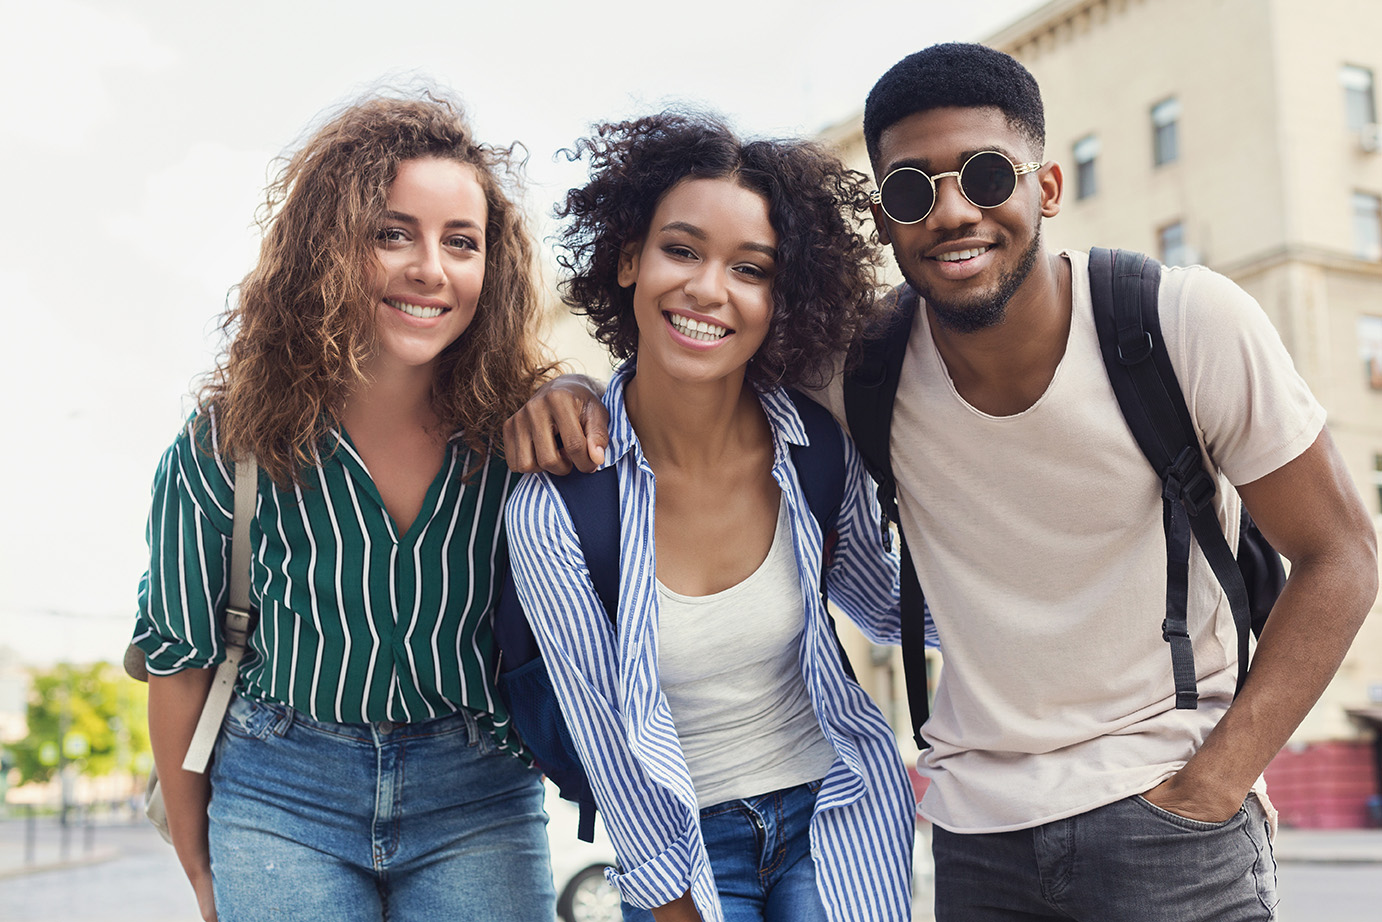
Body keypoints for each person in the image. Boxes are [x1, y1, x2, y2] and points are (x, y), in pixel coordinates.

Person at [503, 45, 1379, 922]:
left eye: (987, 174)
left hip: (1163, 819)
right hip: (977, 837)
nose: (954, 211)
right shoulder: (859, 370)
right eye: (914, 190)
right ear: (885, 220)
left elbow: (1342, 554)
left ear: (1047, 185)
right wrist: (563, 386)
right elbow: (698, 354)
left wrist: (1215, 782)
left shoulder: (1180, 322)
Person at [130, 93, 558, 922]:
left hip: (479, 796)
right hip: (280, 799)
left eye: (461, 243)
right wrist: (198, 865)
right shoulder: (226, 445)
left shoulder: (518, 441)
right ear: (327, 248)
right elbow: (179, 663)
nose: (431, 267)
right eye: (393, 233)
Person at [504, 111, 924, 922]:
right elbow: (610, 747)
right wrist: (673, 901)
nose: (708, 289)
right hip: (683, 847)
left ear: (779, 298)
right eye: (682, 250)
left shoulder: (813, 451)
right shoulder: (556, 507)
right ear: (630, 258)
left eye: (751, 269)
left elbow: (904, 613)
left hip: (832, 817)